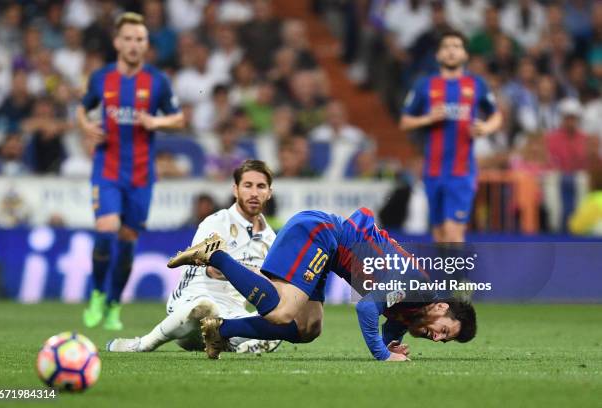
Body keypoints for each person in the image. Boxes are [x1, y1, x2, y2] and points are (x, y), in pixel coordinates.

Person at [167, 207, 477, 361]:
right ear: (441, 306)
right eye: (444, 330)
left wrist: (389, 344)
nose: (437, 338)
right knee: (282, 313)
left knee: (308, 329)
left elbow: (388, 325)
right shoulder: (415, 287)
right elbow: (368, 307)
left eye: (444, 340)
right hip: (321, 232)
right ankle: (216, 256)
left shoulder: (414, 314)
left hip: (328, 253)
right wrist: (383, 355)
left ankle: (221, 330)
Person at [77, 12, 185, 330]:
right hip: (107, 169)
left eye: (140, 39)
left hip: (141, 176)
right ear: (117, 42)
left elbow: (178, 118)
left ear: (146, 44)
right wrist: (87, 127)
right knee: (106, 229)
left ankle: (113, 304)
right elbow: (82, 108)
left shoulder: (157, 81)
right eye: (128, 38)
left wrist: (156, 121)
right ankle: (97, 293)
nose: (134, 44)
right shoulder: (101, 78)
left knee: (127, 241)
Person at [107, 160, 281, 354]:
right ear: (236, 190)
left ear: (269, 193)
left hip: (232, 314)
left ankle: (228, 342)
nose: (254, 193)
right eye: (248, 185)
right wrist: (255, 273)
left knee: (280, 316)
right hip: (191, 305)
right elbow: (214, 269)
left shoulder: (271, 239)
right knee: (206, 308)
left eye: (261, 186)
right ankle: (143, 344)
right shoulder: (217, 222)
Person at [400, 29, 502, 243]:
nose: (451, 51)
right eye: (446, 47)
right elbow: (405, 121)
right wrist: (427, 119)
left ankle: (456, 277)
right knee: (439, 234)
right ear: (438, 55)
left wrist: (486, 128)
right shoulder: (425, 85)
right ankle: (446, 276)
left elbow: (496, 116)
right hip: (433, 171)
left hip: (462, 172)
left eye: (456, 46)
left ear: (465, 55)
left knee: (454, 231)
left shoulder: (476, 84)